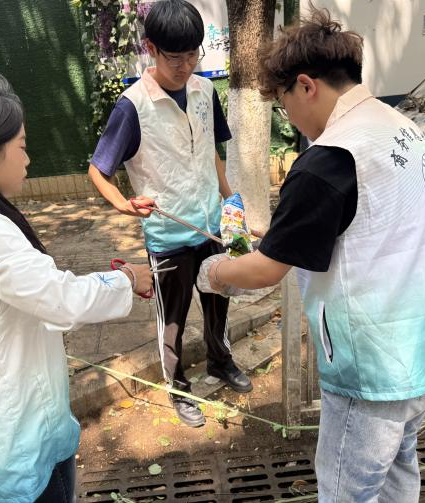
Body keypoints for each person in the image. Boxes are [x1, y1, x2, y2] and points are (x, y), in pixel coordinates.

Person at [197, 8, 425, 502]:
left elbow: (264, 270)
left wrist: (215, 272)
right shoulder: (399, 124)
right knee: (399, 463)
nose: (288, 117)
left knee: (347, 489)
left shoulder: (327, 160)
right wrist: (285, 233)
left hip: (377, 367)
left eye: (283, 103)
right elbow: (374, 222)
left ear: (306, 85)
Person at [0, 72, 153, 503]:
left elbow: (37, 294)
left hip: (3, 424)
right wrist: (127, 279)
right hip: (17, 437)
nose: (28, 159)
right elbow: (62, 299)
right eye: (22, 146)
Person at [88, 0, 252, 428]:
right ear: (151, 49)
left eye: (193, 54)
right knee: (173, 321)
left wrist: (231, 202)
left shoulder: (205, 92)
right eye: (174, 57)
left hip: (212, 228)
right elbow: (98, 170)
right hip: (168, 235)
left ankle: (220, 362)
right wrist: (124, 205)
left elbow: (213, 153)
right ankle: (179, 388)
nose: (185, 66)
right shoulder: (132, 106)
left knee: (218, 305)